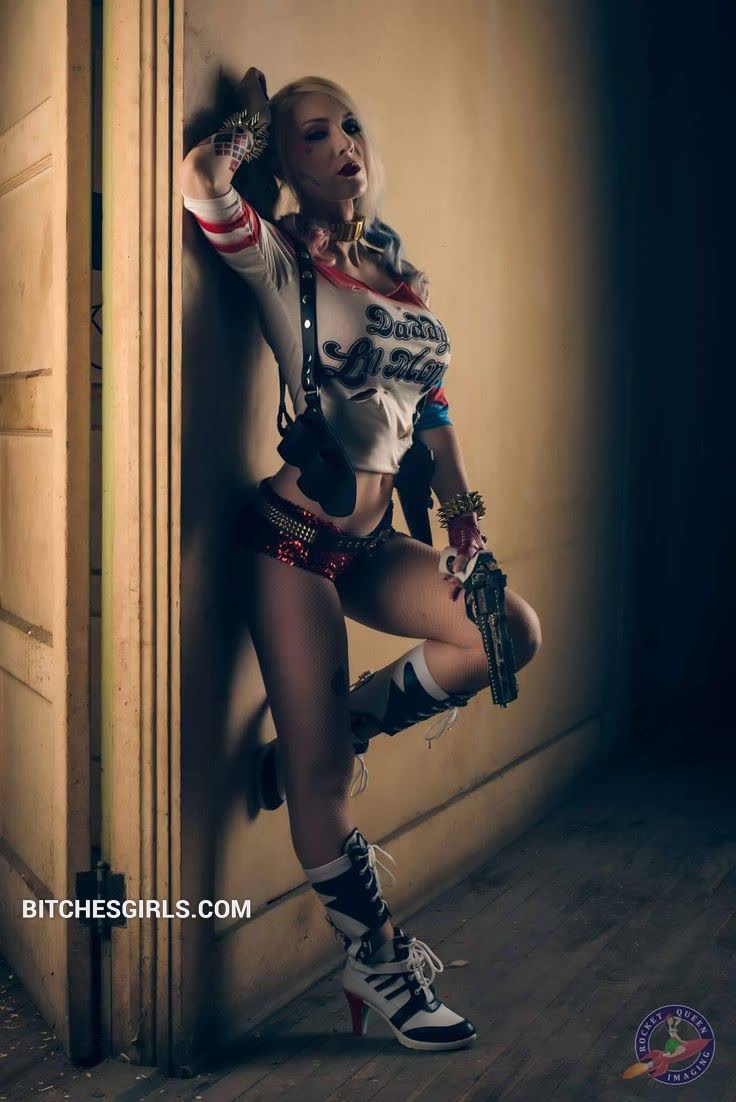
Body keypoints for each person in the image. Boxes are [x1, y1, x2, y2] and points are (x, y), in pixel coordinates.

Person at [181, 66, 542, 1052]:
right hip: (293, 543)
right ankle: (376, 962)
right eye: (312, 134)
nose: (342, 145)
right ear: (286, 160)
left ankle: (324, 733)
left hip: (378, 542)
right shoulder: (278, 261)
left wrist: (463, 519)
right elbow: (202, 180)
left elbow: (432, 410)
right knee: (326, 786)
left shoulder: (397, 272)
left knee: (504, 633)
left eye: (347, 127)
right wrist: (249, 129)